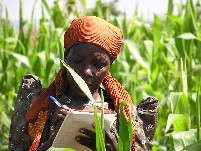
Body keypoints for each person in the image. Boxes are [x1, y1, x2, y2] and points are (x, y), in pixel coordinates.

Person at [9, 16, 159, 151]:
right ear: (66, 57)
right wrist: (55, 140)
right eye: (78, 61)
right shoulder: (41, 106)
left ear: (110, 65)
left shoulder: (124, 113)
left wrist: (112, 147)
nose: (87, 71)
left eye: (98, 64)